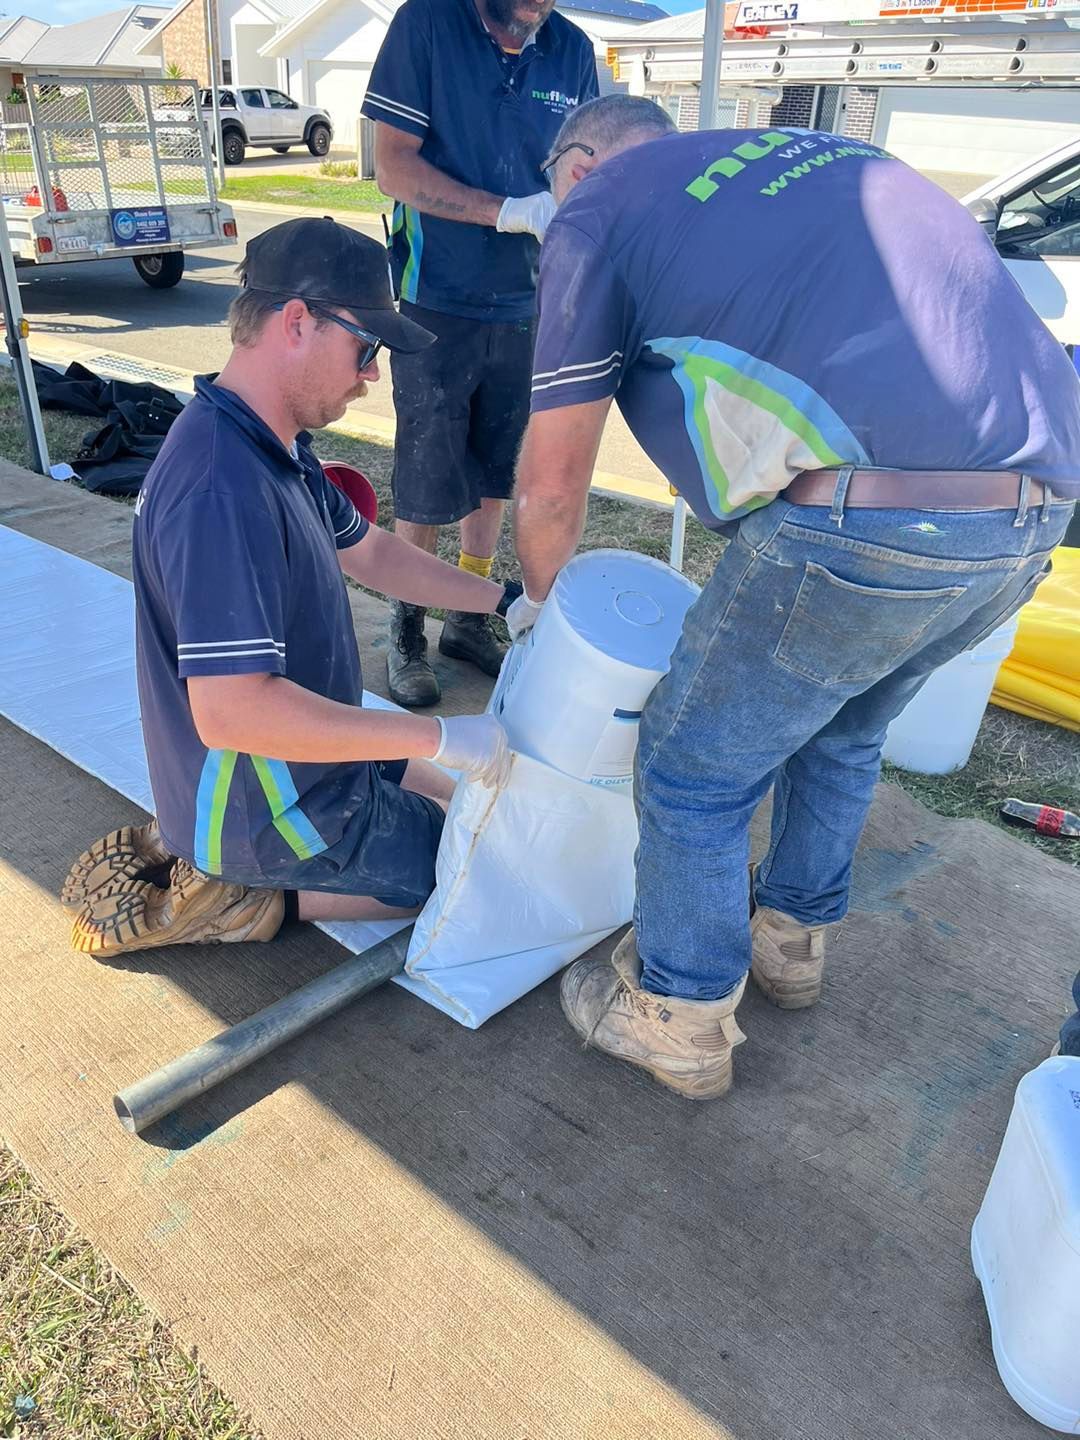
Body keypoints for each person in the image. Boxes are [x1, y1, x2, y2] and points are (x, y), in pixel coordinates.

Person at [509, 96, 1080, 1100]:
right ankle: (791, 944)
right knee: (842, 731)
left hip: (866, 521)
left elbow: (553, 481)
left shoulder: (598, 212)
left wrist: (546, 619)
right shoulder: (827, 154)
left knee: (693, 768)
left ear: (580, 164)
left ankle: (680, 1015)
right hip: (1032, 520)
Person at [65, 218, 514, 958]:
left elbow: (370, 552)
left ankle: (207, 848)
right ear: (298, 323)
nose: (372, 374)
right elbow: (234, 711)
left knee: (469, 795)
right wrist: (436, 733)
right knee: (481, 866)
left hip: (294, 760)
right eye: (366, 348)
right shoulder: (221, 489)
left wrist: (502, 601)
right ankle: (241, 895)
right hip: (272, 802)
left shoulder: (266, 441)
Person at [360, 0, 598, 707]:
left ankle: (467, 615)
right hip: (439, 293)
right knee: (430, 472)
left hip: (530, 300)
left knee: (499, 466)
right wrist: (506, 211)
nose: (538, 6)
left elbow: (586, 162)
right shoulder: (426, 26)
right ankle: (407, 621)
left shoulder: (571, 49)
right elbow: (393, 170)